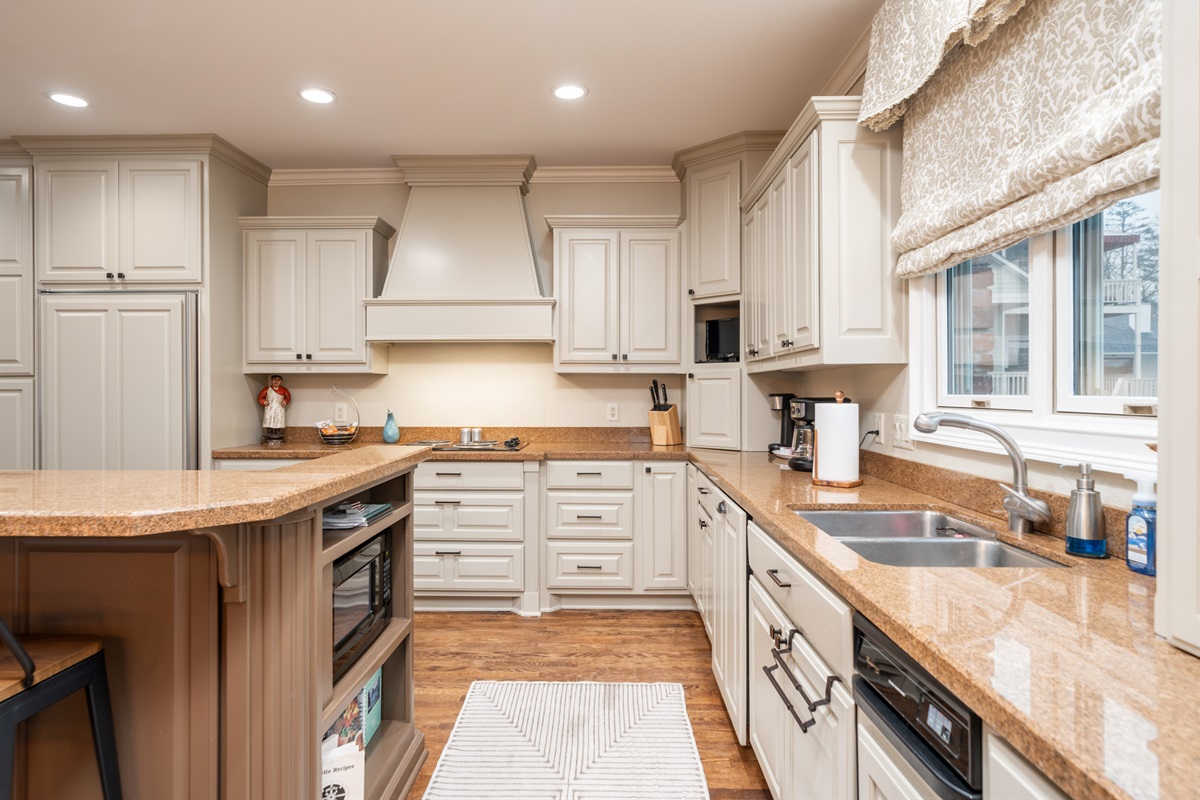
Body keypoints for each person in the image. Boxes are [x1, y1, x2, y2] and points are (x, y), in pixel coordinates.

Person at [258, 375, 291, 443]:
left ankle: (277, 432)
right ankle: (269, 431)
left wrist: (285, 401)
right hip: (270, 407)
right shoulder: (267, 389)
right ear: (272, 380)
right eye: (274, 380)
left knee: (278, 419)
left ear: (281, 381)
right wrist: (264, 402)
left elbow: (288, 397)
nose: (276, 381)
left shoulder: (284, 390)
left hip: (279, 407)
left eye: (278, 380)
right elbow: (260, 397)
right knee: (269, 419)